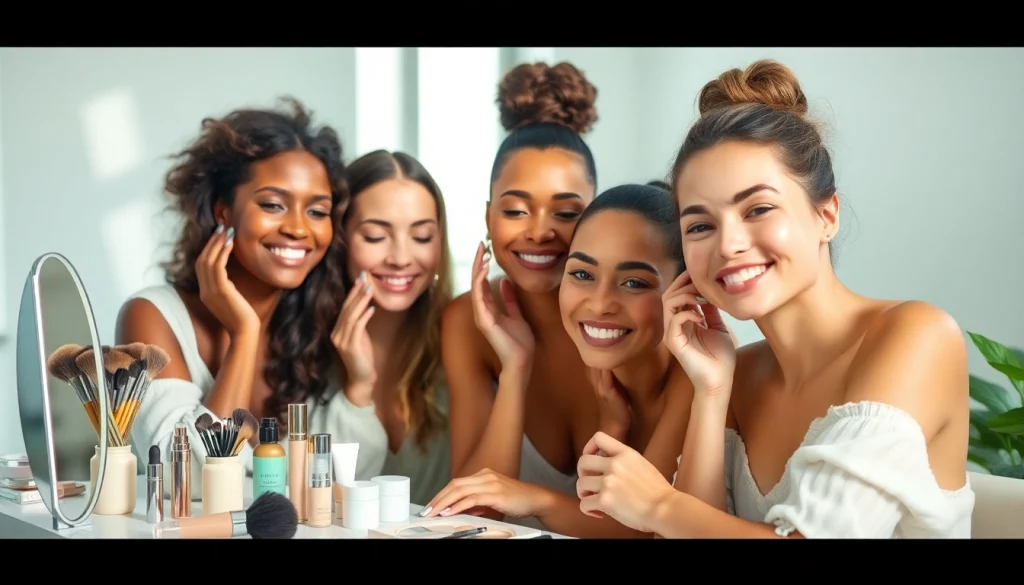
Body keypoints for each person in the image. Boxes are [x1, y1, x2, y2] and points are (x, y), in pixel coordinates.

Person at [575, 60, 975, 538]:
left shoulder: (916, 338)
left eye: (758, 209)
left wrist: (658, 505)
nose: (728, 245)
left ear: (826, 215)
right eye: (700, 225)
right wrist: (711, 391)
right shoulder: (738, 375)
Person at [423, 184, 698, 538]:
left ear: (687, 287)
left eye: (633, 282)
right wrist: (612, 426)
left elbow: (642, 529)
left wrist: (535, 499)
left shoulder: (692, 373)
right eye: (582, 274)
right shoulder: (600, 369)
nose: (600, 304)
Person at [118, 98, 353, 493]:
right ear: (223, 210)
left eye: (317, 211)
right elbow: (186, 479)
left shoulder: (318, 319)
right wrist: (245, 334)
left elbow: (342, 476)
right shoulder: (151, 317)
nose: (298, 228)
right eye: (273, 205)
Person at [439, 61, 601, 520]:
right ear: (489, 216)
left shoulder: (630, 320)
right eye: (516, 211)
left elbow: (653, 522)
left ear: (597, 215)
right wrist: (515, 369)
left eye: (567, 213)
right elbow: (474, 513)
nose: (540, 232)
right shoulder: (465, 322)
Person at [331, 149, 454, 504]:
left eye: (421, 237)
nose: (401, 258)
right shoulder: (301, 350)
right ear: (341, 239)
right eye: (374, 236)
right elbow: (322, 503)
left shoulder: (461, 341)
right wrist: (358, 389)